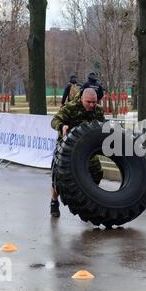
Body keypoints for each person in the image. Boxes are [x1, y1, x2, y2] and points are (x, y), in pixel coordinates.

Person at [49, 88, 105, 217]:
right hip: (66, 148)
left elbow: (101, 127)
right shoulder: (70, 108)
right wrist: (62, 126)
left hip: (86, 150)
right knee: (58, 179)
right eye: (88, 102)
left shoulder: (97, 111)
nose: (92, 105)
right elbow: (54, 121)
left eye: (94, 102)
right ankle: (54, 202)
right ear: (81, 99)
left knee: (96, 173)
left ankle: (88, 202)